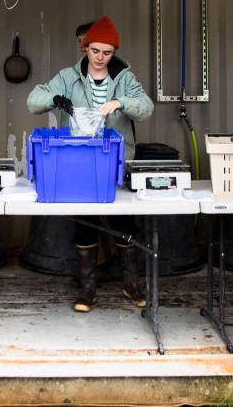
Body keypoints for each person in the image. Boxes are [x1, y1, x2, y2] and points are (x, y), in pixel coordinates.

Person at [27, 16, 154, 312]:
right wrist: (54, 98)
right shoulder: (68, 76)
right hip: (78, 162)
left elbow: (146, 107)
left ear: (114, 52)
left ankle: (130, 283)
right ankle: (87, 290)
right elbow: (34, 100)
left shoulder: (124, 78)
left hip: (113, 162)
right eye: (94, 50)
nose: (100, 58)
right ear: (85, 48)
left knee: (123, 221)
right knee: (85, 222)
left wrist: (121, 102)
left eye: (107, 53)